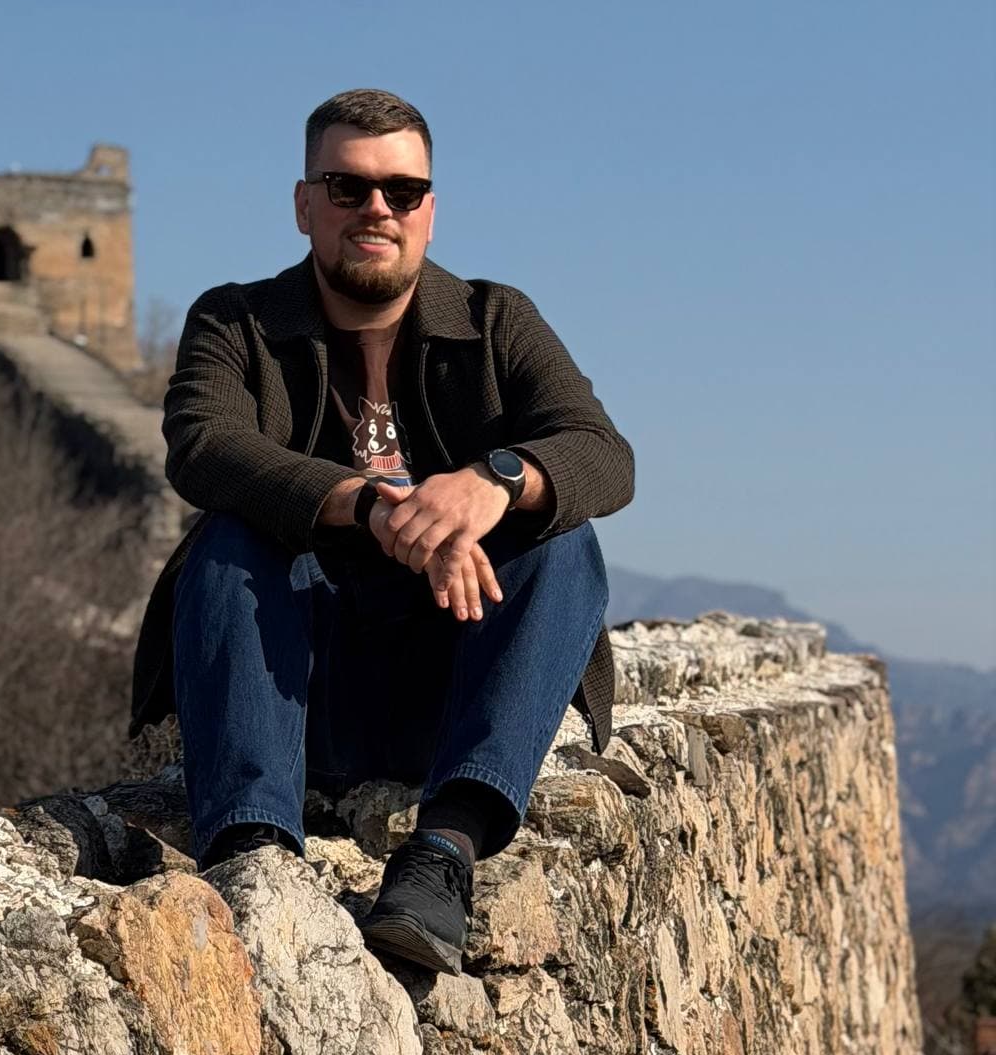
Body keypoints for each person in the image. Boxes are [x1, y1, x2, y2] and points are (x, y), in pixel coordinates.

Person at [129, 87, 634, 972]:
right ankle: (254, 855)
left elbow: (601, 452)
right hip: (296, 691)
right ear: (304, 205)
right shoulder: (235, 321)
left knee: (565, 542)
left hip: (450, 691)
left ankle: (443, 852)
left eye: (402, 192)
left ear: (430, 213)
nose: (376, 209)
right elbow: (203, 445)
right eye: (348, 187)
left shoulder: (495, 320)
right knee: (227, 543)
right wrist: (370, 503)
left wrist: (496, 480)